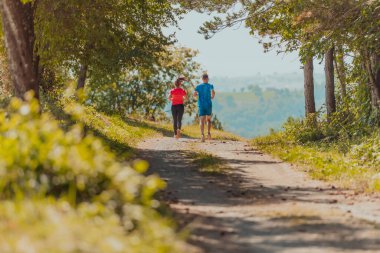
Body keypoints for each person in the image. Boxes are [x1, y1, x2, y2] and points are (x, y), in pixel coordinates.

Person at [194, 74, 215, 142]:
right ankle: (208, 133)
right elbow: (213, 93)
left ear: (202, 79)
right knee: (208, 120)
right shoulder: (210, 86)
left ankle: (202, 135)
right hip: (208, 104)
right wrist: (212, 97)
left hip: (201, 105)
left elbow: (194, 94)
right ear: (207, 79)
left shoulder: (198, 86)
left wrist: (198, 95)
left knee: (201, 120)